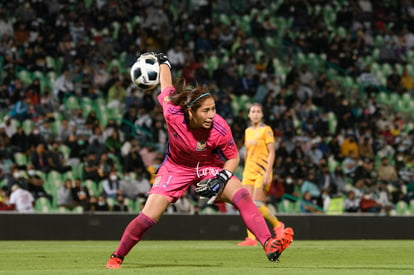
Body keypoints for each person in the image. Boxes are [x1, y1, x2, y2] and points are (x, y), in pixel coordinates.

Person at [105, 53, 294, 269]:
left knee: (241, 194)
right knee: (149, 216)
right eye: (206, 110)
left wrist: (222, 177)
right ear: (190, 111)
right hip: (175, 168)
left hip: (208, 167)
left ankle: (269, 243)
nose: (212, 115)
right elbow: (165, 85)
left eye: (214, 109)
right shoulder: (172, 113)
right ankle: (117, 256)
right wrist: (163, 62)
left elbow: (232, 157)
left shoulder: (220, 127)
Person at [237, 103, 293, 246]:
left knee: (256, 204)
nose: (255, 114)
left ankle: (277, 225)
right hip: (248, 171)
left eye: (258, 111)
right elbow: (248, 152)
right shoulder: (247, 131)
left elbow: (272, 152)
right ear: (249, 115)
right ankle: (251, 238)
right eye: (252, 111)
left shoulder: (267, 130)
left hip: (262, 170)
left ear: (262, 115)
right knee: (245, 205)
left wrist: (268, 172)